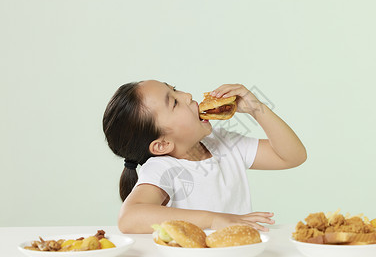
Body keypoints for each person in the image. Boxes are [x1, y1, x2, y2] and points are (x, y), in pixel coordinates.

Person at [103, 80, 307, 233]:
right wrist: (215, 220)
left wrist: (256, 108)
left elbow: (292, 156)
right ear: (162, 144)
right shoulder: (163, 168)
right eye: (174, 102)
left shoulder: (223, 142)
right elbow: (129, 218)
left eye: (174, 89)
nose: (187, 95)